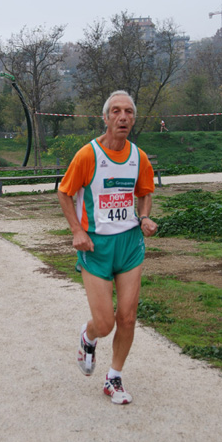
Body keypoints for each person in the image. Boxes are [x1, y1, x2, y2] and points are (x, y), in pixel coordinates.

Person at [58, 90, 157, 405]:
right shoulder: (88, 155)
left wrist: (144, 217)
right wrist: (77, 230)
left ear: (133, 118)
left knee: (127, 317)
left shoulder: (138, 157)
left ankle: (114, 377)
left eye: (128, 111)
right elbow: (64, 192)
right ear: (106, 117)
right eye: (116, 111)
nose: (123, 117)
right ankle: (88, 338)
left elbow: (144, 192)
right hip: (95, 246)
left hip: (129, 244)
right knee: (106, 322)